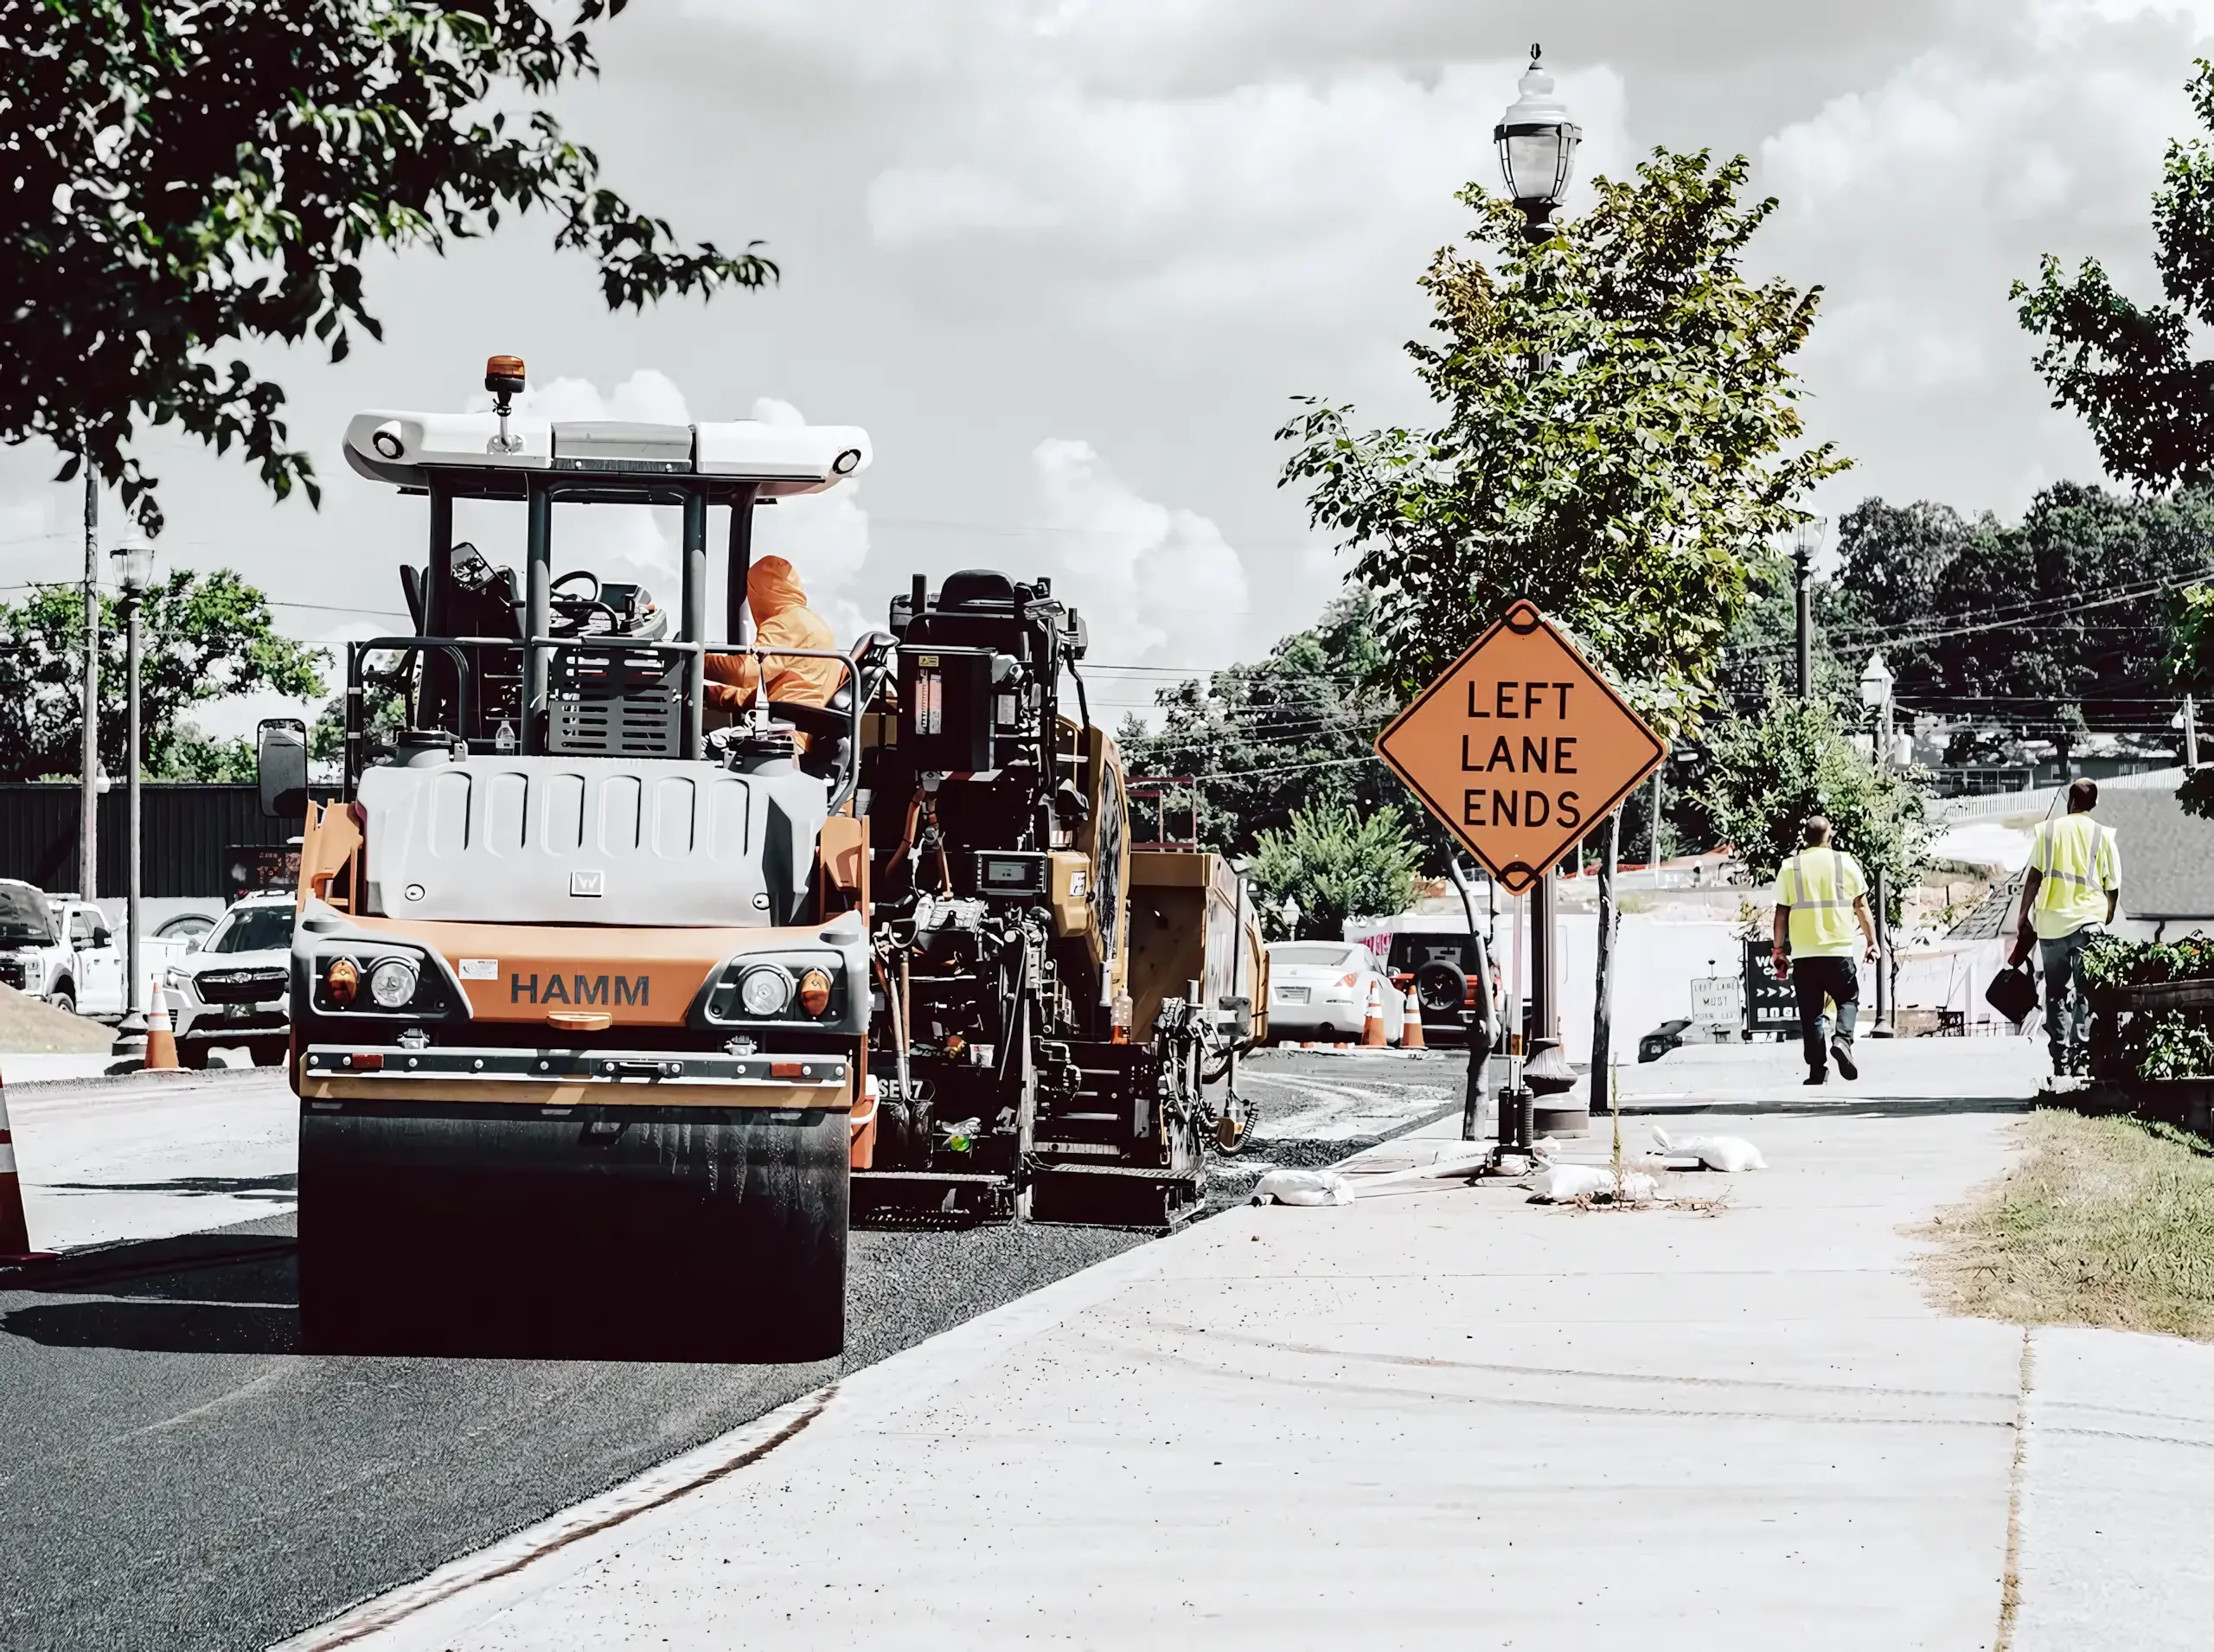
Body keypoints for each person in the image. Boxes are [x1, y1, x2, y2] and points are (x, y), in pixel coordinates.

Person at [2009, 778, 2121, 1078]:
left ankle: (2061, 1059)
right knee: (2087, 993)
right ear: (2094, 804)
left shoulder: (2048, 832)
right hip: (2089, 923)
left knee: (2057, 992)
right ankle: (2082, 1057)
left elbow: (2033, 877)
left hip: (2052, 925)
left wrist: (2023, 919)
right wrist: (2107, 915)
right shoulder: (2103, 835)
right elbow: (2113, 886)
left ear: (2069, 801)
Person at [1771, 815, 1879, 1086]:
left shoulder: (1790, 867)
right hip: (1838, 949)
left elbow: (1781, 914)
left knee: (1811, 1013)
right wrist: (1872, 942)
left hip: (1805, 954)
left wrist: (1778, 951)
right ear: (1829, 835)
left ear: (1804, 837)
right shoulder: (1846, 863)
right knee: (1848, 998)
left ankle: (1817, 1070)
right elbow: (1862, 908)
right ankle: (1842, 1040)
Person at [704, 555, 841, 719]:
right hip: (797, 726)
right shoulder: (812, 622)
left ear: (759, 591)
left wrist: (696, 661)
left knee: (702, 744)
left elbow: (746, 672)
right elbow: (764, 693)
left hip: (783, 729)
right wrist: (709, 695)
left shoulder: (786, 623)